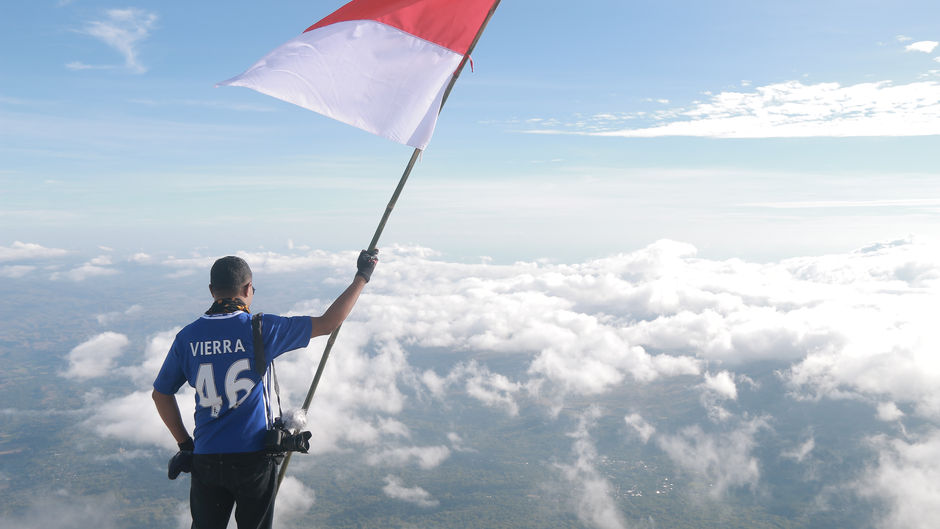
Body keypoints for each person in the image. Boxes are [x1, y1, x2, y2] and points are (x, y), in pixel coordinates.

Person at [152, 249, 378, 529]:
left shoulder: (186, 338)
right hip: (253, 460)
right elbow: (328, 323)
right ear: (248, 288)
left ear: (212, 291)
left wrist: (186, 445)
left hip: (207, 460)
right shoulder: (261, 329)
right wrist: (362, 276)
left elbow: (161, 394)